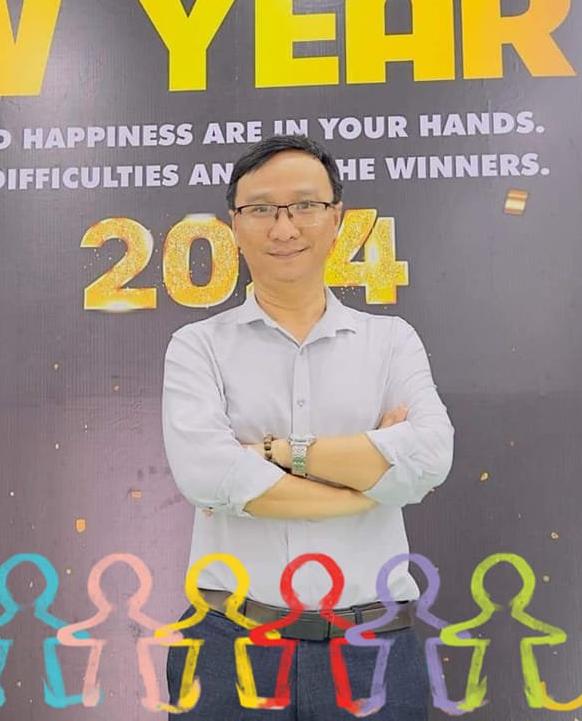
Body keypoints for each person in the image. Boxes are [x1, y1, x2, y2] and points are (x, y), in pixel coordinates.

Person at [162, 134, 454, 719]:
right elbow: (210, 476)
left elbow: (428, 458)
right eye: (261, 209)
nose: (284, 227)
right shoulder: (197, 346)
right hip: (230, 647)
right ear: (234, 224)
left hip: (372, 647)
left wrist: (275, 452)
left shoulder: (390, 341)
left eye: (304, 205)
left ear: (337, 218)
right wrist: (367, 487)